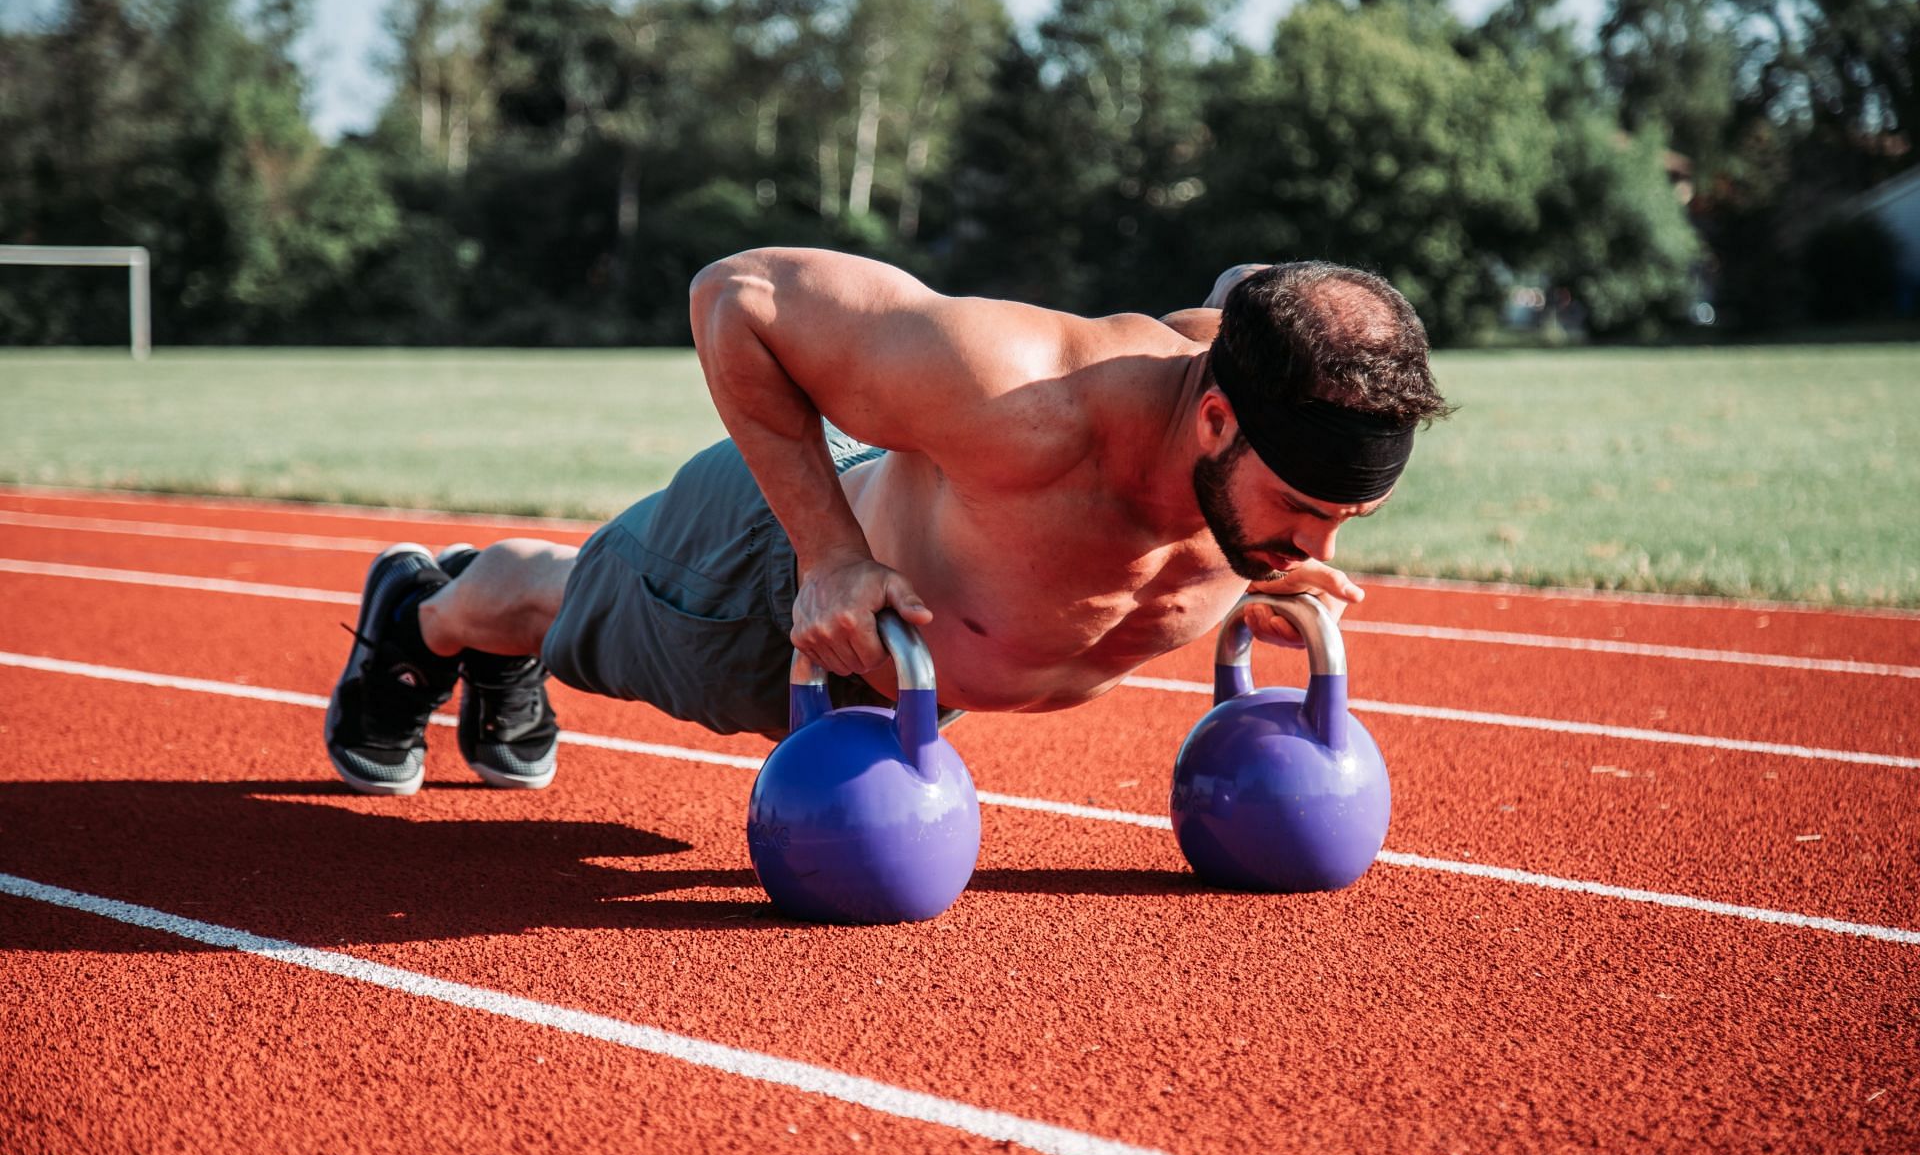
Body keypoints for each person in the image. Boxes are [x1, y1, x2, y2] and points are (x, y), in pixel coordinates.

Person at [322, 252, 1452, 795]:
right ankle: (433, 613)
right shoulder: (1024, 392)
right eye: (1303, 515)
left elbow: (1253, 278)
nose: (1320, 557)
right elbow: (738, 298)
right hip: (763, 582)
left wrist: (1273, 542)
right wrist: (827, 556)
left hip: (915, 639)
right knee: (564, 604)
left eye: (1348, 520)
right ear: (1212, 419)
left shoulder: (1261, 392)